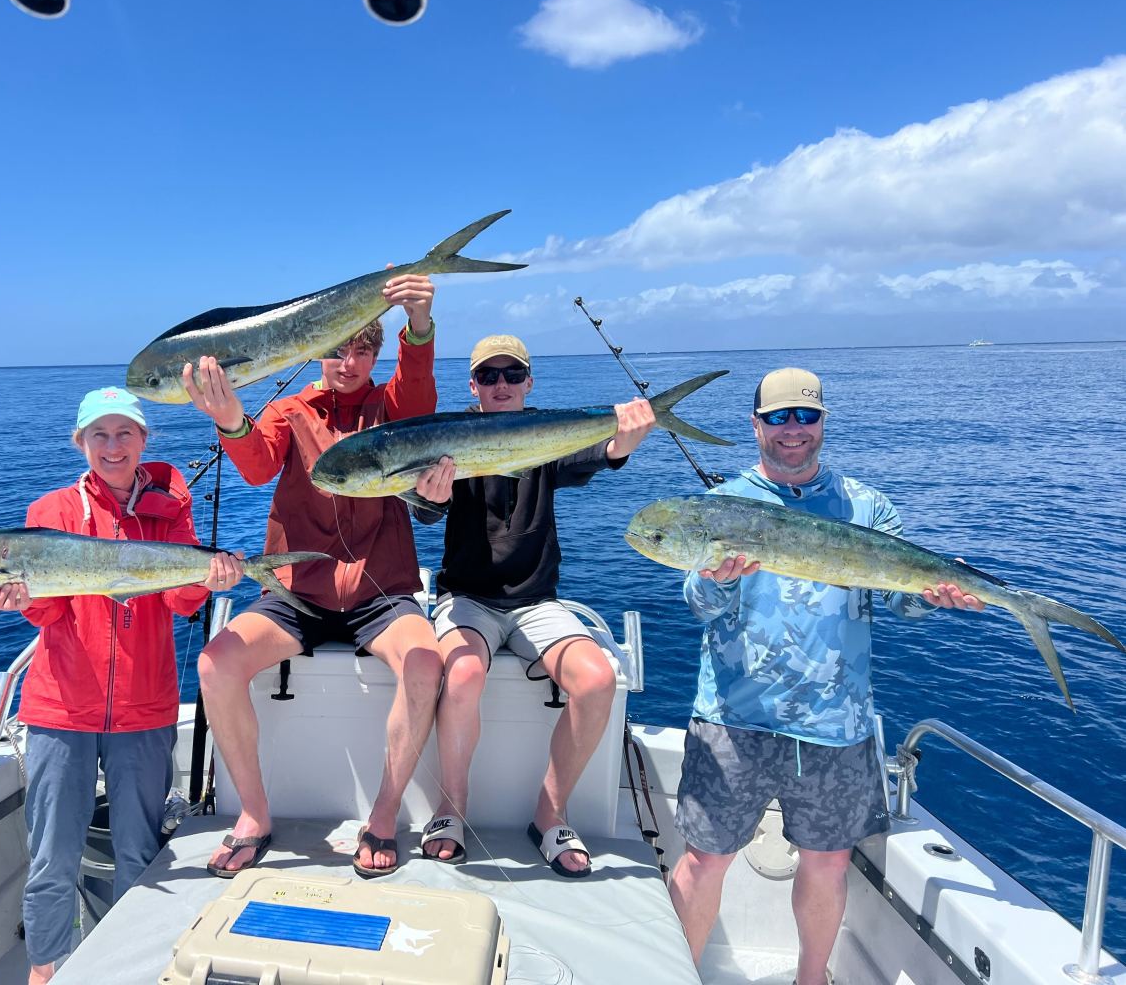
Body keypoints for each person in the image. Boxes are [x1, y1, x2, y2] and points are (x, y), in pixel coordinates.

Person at [665, 368, 986, 985]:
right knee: (703, 861)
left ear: (822, 422)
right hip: (735, 715)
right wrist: (716, 580)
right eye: (779, 417)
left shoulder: (867, 507)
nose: (793, 430)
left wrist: (933, 596)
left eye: (805, 417)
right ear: (756, 424)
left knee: (829, 863)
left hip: (836, 719)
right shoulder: (721, 506)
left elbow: (898, 598)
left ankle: (812, 980)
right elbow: (698, 605)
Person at [182, 272, 444, 879]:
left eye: (360, 350)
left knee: (425, 662)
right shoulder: (291, 408)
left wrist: (421, 326)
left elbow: (419, 392)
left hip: (381, 591)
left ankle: (384, 813)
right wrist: (229, 419)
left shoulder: (390, 408)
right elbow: (255, 464)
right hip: (296, 592)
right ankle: (253, 813)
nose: (346, 362)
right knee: (214, 664)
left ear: (376, 355)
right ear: (316, 351)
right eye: (335, 348)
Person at [0, 386, 243, 985]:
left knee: (140, 855)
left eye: (125, 433)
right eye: (99, 434)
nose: (113, 446)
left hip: (144, 709)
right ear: (81, 444)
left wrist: (209, 576)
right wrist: (24, 601)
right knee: (51, 858)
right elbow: (49, 616)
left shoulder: (171, 508)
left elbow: (181, 603)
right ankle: (44, 970)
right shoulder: (51, 511)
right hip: (59, 709)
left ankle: (138, 967)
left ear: (144, 441)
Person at [410, 334, 656, 877]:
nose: (502, 385)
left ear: (529, 383)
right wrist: (430, 496)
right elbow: (424, 515)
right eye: (490, 376)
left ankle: (550, 811)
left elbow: (602, 451)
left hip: (536, 600)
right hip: (467, 598)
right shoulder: (449, 438)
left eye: (512, 375)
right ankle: (451, 808)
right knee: (464, 673)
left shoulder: (547, 432)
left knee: (596, 680)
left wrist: (627, 438)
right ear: (473, 386)